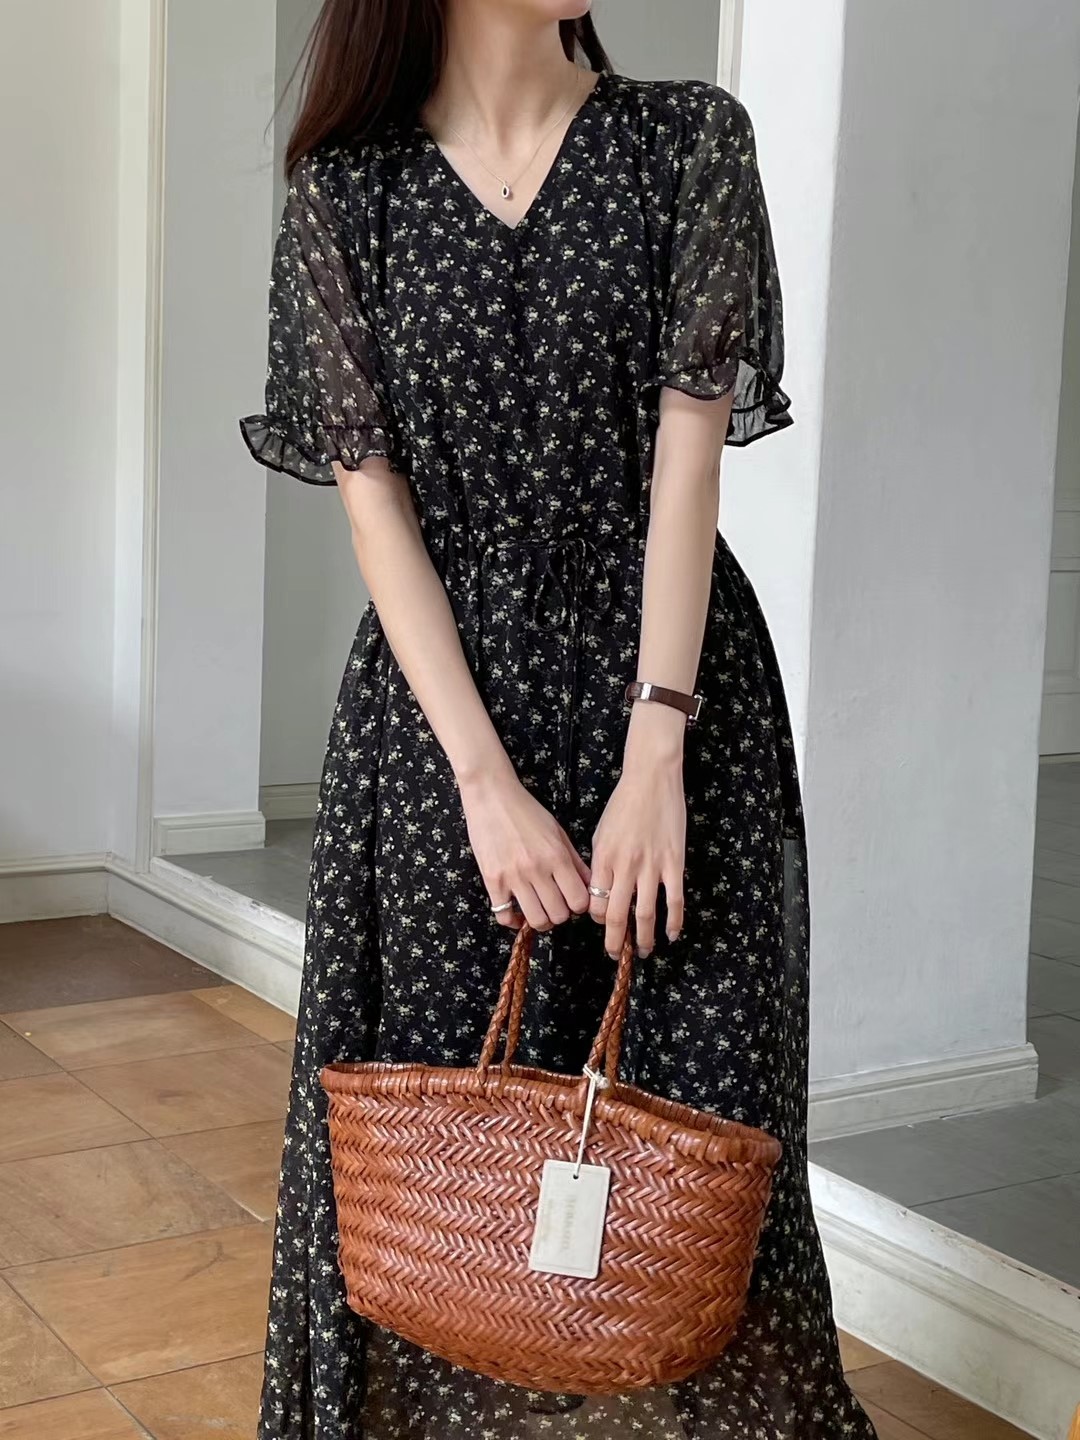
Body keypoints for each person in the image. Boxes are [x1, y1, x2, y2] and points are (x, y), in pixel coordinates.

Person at [240, 2, 878, 1437]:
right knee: (439, 1148)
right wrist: (481, 781)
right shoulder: (348, 194)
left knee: (701, 1136)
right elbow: (374, 505)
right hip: (441, 731)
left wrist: (658, 751)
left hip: (679, 701)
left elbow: (687, 469)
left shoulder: (684, 141)